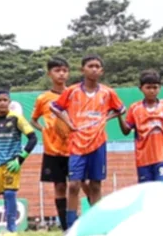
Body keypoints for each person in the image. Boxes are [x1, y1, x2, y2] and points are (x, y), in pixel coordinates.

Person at [51, 55, 125, 225]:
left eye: (97, 66)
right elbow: (55, 107)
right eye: (90, 66)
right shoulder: (72, 91)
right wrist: (68, 123)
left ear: (102, 71)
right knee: (74, 185)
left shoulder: (108, 92)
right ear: (82, 69)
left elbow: (121, 109)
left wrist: (105, 119)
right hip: (77, 144)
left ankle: (97, 224)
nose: (94, 69)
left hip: (98, 143)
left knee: (96, 185)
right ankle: (70, 225)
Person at [30, 57, 88, 232]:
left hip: (75, 148)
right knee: (60, 186)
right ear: (49, 73)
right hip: (53, 150)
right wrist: (44, 130)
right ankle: (66, 227)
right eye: (57, 70)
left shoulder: (76, 94)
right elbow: (33, 120)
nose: (61, 74)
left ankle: (87, 221)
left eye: (64, 70)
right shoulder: (43, 98)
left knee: (82, 184)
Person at [0, 90, 37, 235]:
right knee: (5, 194)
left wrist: (20, 159)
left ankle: (12, 229)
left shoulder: (16, 118)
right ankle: (8, 227)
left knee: (10, 193)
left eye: (5, 100)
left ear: (9, 102)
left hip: (12, 162)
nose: (2, 103)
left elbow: (33, 138)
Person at [118, 70, 163, 182]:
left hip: (162, 156)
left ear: (159, 88)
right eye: (148, 87)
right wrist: (119, 116)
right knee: (146, 189)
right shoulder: (134, 108)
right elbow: (126, 131)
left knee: (161, 187)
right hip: (143, 158)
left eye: (155, 87)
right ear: (141, 88)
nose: (152, 91)